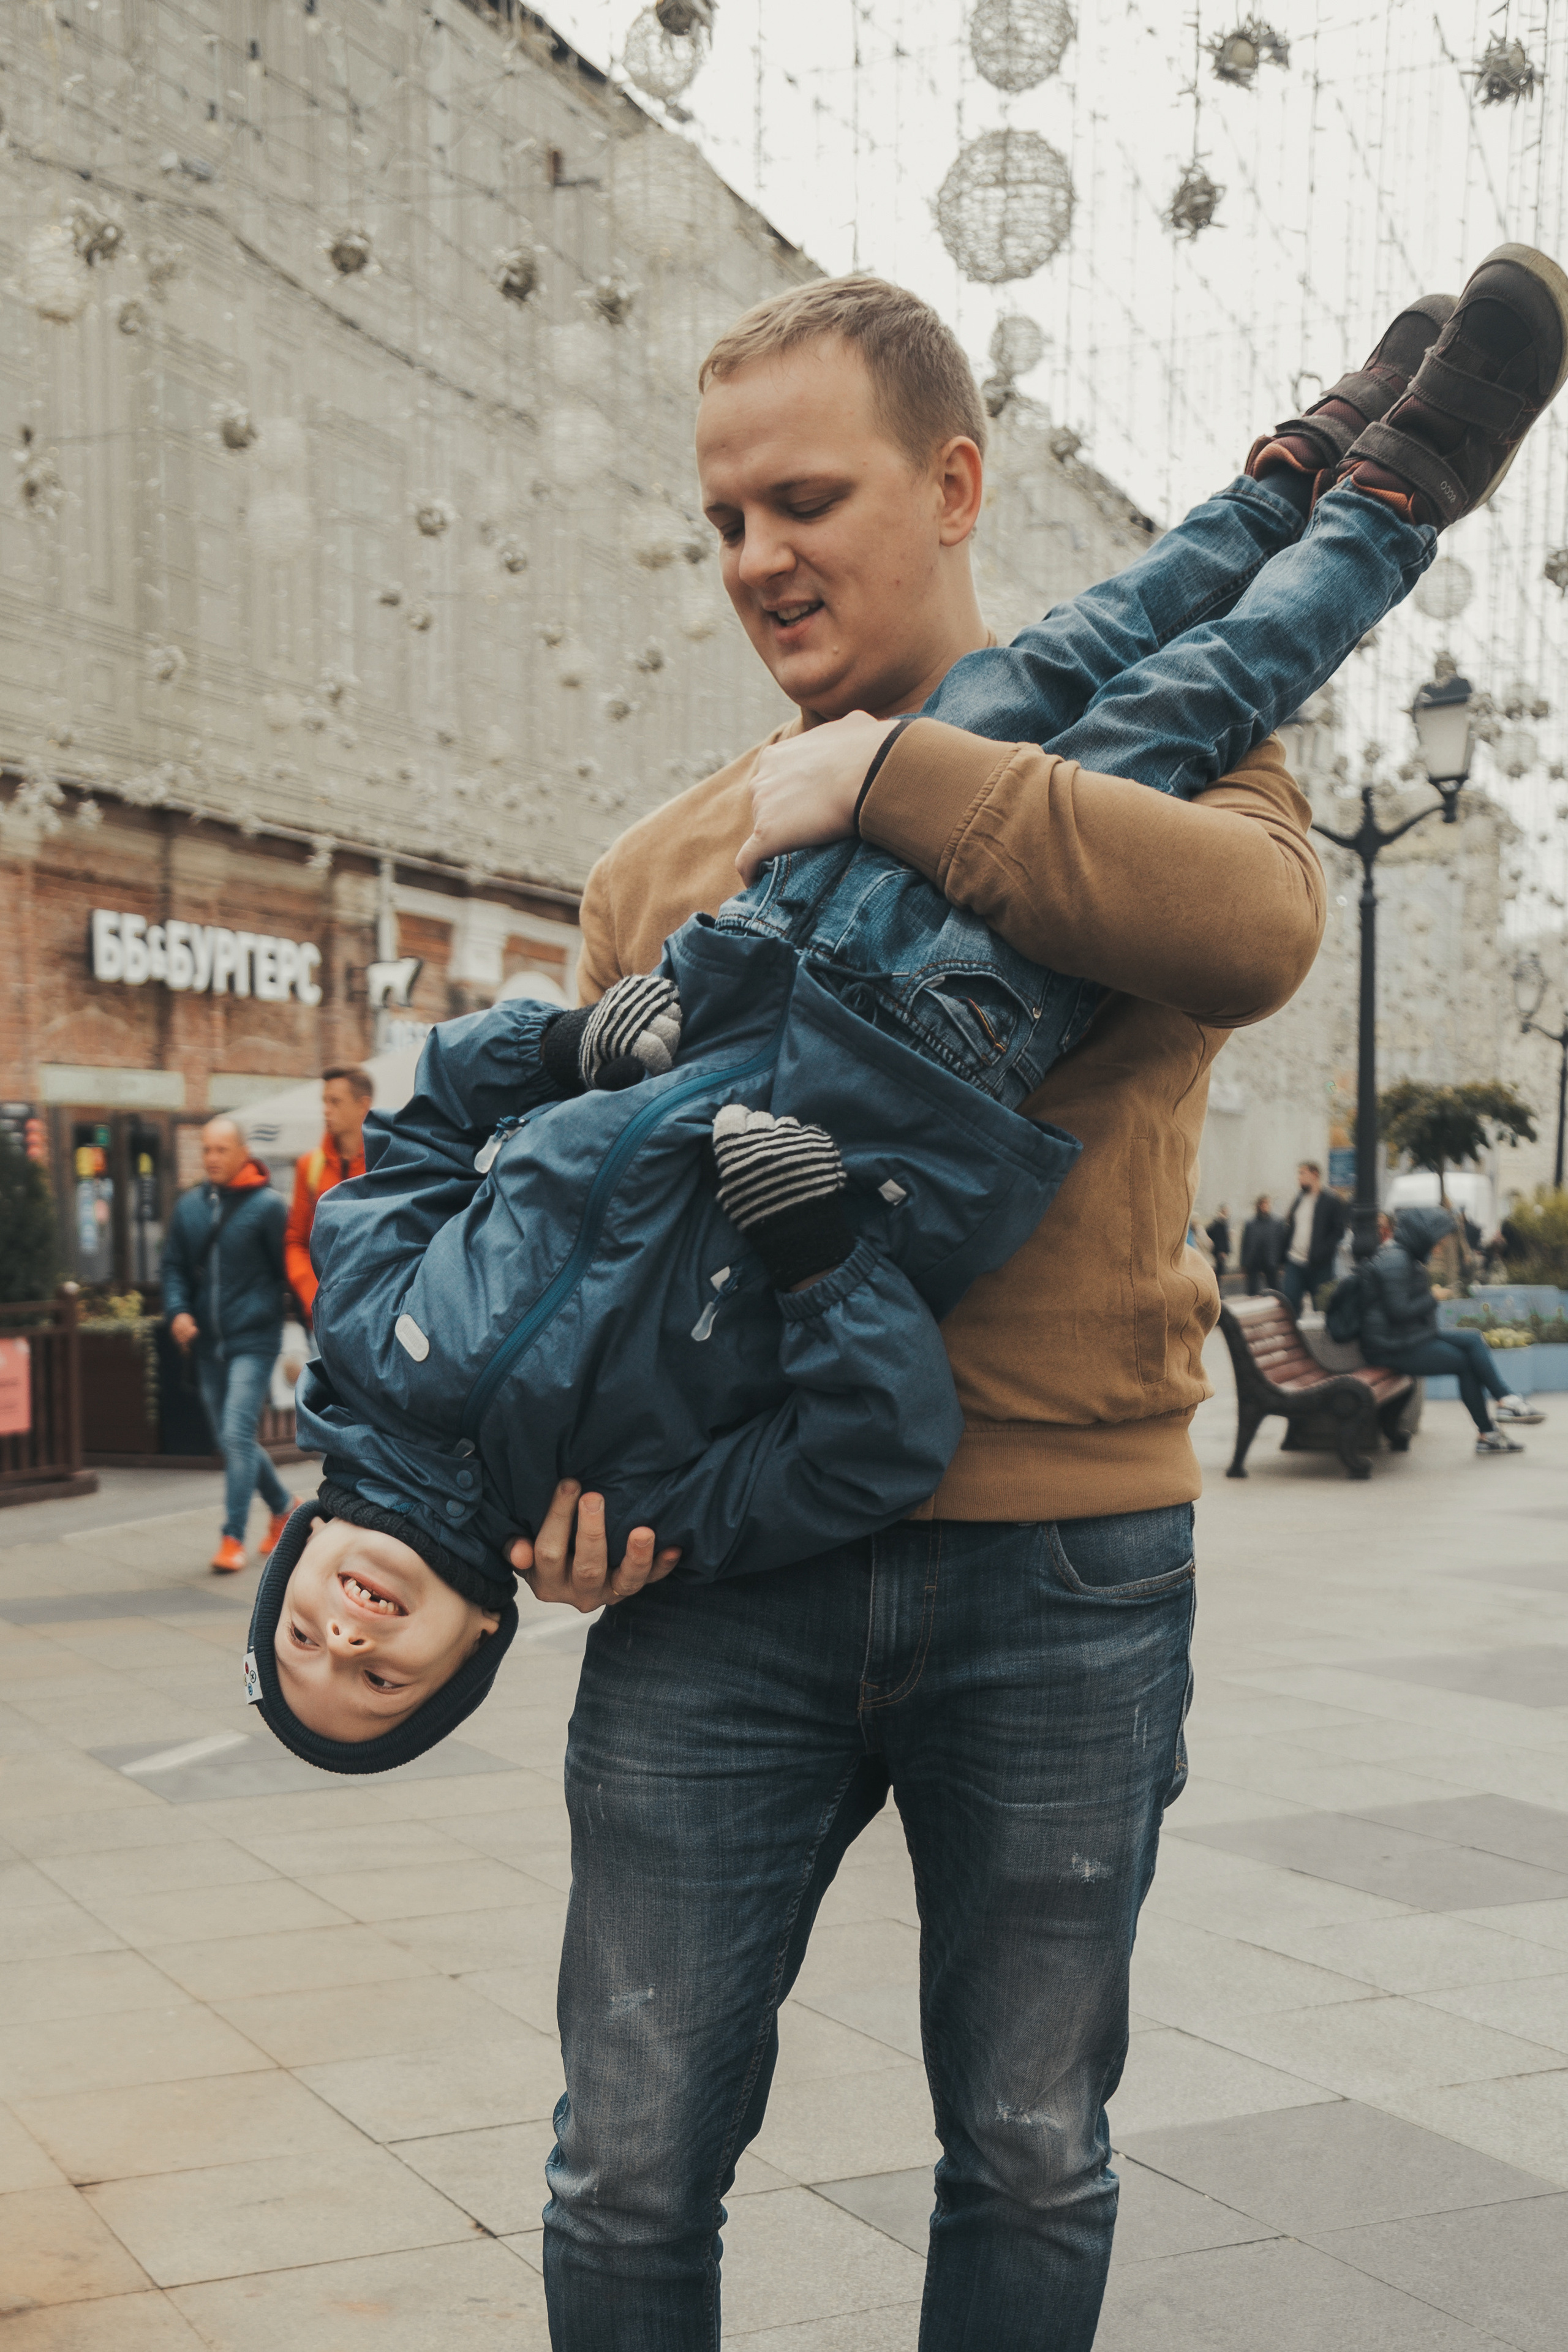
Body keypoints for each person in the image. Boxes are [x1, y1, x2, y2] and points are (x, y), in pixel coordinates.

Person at [247, 249, 1565, 2344]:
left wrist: (884, 782)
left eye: (810, 502)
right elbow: (568, 1209)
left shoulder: (1189, 765)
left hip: (1062, 1569)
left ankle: (1369, 473)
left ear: (954, 485)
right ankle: (1357, 467)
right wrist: (553, 1527)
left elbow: (1247, 935)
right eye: (726, 519)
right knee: (628, 2154)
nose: (761, 557)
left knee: (1032, 2146)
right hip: (726, 1590)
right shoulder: (665, 853)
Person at [162, 1117, 297, 1572]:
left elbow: (289, 1269)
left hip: (254, 1339)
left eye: (222, 1150)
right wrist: (179, 1311)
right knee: (230, 1438)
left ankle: (231, 1537)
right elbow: (174, 1268)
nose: (213, 1158)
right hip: (207, 1344)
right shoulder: (189, 1208)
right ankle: (284, 1508)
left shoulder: (268, 1207)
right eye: (207, 1150)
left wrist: (308, 1322)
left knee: (237, 1433)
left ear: (243, 1153)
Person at [1359, 1205, 1545, 1453]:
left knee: (1473, 1339)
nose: (1441, 1245)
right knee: (1466, 1364)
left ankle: (1505, 1401)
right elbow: (1399, 1311)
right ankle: (1490, 1429)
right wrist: (1433, 1296)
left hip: (1406, 1337)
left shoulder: (1404, 1256)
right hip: (1390, 1347)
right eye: (1438, 1239)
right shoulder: (1396, 1261)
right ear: (1422, 1235)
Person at [284, 1066, 372, 1327]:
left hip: (374, 1313)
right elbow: (295, 1242)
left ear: (362, 1106)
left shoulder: (385, 1164)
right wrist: (314, 1297)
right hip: (323, 1318)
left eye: (335, 1102)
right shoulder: (309, 1167)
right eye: (324, 1101)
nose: (326, 1109)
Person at [1279, 1159, 1350, 1312]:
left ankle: (1326, 1336)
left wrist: (1322, 1253)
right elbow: (1291, 1227)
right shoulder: (1299, 1200)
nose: (1299, 1178)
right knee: (1289, 1304)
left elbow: (1339, 1231)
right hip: (1295, 1261)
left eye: (1303, 1173)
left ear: (1315, 1174)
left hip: (1320, 1265)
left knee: (1323, 1307)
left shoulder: (1331, 1201)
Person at [1240, 1193, 1282, 1293]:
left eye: (1267, 1204)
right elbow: (1245, 1244)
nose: (1265, 1206)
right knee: (1252, 1290)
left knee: (1275, 1288)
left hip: (1271, 1261)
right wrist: (1243, 1263)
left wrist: (1281, 1262)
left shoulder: (1277, 1223)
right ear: (1258, 1205)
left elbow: (1280, 1243)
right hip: (1253, 1260)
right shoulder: (1250, 1224)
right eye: (1263, 1204)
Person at [1206, 1204, 1233, 1280]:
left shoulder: (1224, 1223)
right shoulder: (1219, 1224)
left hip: (1220, 1251)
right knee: (1219, 1271)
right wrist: (1221, 1251)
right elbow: (1219, 1238)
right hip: (1220, 1252)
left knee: (1220, 1271)